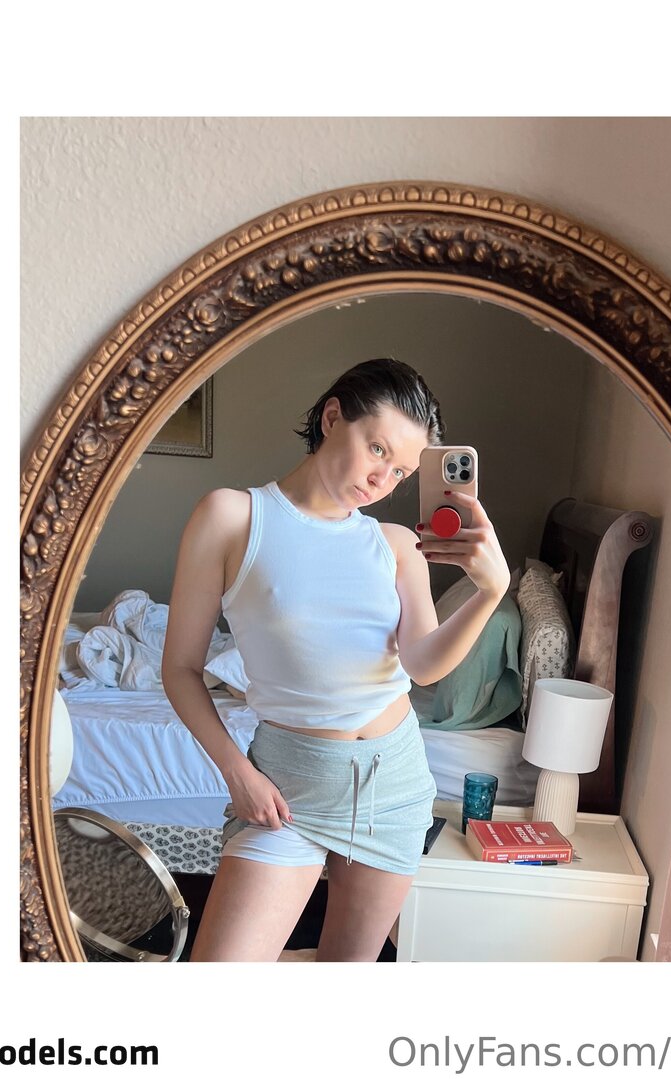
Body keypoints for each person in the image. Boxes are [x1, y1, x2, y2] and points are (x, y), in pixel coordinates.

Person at [161, 357, 510, 961]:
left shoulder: (397, 545)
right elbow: (180, 669)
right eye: (377, 448)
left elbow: (424, 665)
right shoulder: (232, 517)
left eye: (400, 471)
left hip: (394, 787)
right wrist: (237, 774)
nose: (382, 479)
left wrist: (490, 592)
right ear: (331, 418)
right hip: (287, 789)